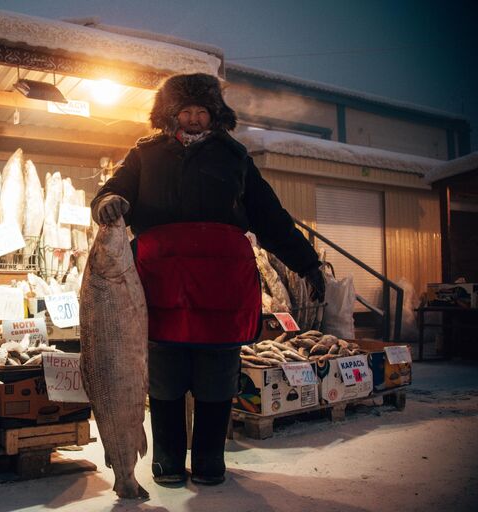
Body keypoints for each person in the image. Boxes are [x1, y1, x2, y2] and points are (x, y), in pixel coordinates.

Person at [91, 73, 325, 486]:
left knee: (217, 372)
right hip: (160, 280)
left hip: (223, 283)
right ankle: (165, 457)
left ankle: (209, 460)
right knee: (165, 371)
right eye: (186, 111)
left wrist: (307, 263)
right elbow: (113, 190)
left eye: (202, 111)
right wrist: (108, 202)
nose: (194, 118)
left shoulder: (234, 157)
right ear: (171, 114)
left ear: (214, 115)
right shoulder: (145, 155)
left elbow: (271, 216)